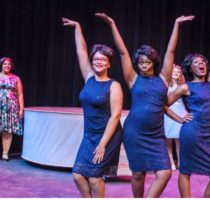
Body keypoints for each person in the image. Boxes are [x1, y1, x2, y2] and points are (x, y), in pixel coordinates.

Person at [95, 13, 194, 197]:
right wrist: (113, 24)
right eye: (140, 62)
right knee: (138, 175)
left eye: (147, 62)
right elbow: (123, 51)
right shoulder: (133, 79)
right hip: (134, 133)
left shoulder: (163, 79)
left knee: (164, 173)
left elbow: (170, 52)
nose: (143, 65)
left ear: (153, 63)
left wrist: (177, 24)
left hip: (156, 135)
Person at [168, 24, 210, 198]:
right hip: (192, 132)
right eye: (196, 62)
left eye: (203, 61)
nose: (201, 64)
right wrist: (180, 119)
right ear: (190, 68)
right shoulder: (185, 87)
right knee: (186, 171)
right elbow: (163, 104)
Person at [62, 18, 123, 198]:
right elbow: (81, 50)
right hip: (89, 135)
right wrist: (78, 26)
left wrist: (103, 145)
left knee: (95, 178)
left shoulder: (114, 86)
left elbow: (116, 116)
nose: (98, 62)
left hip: (108, 136)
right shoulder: (89, 77)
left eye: (103, 60)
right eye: (95, 59)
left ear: (109, 63)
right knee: (78, 175)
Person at [164, 64, 188, 170]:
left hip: (180, 112)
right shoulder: (166, 85)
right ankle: (171, 161)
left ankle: (180, 161)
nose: (176, 73)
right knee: (168, 139)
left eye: (178, 72)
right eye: (174, 71)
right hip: (168, 112)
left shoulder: (183, 86)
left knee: (179, 139)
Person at [0, 57, 24, 161]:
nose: (7, 66)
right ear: (1, 65)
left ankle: (5, 153)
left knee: (7, 130)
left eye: (9, 64)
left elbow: (20, 95)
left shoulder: (16, 78)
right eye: (5, 64)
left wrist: (21, 108)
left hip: (11, 107)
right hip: (0, 105)